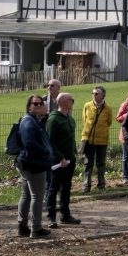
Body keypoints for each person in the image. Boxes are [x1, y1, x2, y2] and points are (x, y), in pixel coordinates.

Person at [16, 94, 56, 238]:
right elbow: (29, 143)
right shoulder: (28, 122)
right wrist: (45, 152)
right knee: (37, 196)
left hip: (27, 162)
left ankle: (22, 226)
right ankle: (36, 228)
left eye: (41, 103)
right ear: (29, 106)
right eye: (35, 104)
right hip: (33, 163)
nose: (39, 106)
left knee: (26, 195)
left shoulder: (34, 120)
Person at [46, 92, 80, 227]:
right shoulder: (53, 119)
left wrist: (74, 153)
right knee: (53, 188)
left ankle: (65, 215)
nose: (73, 102)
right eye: (71, 100)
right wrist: (61, 158)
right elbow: (50, 142)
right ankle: (51, 217)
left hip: (70, 159)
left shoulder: (70, 119)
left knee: (66, 187)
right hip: (57, 162)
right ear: (64, 102)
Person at [80, 86, 112, 193]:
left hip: (102, 141)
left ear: (103, 95)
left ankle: (101, 186)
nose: (94, 95)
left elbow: (109, 122)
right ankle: (86, 187)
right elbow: (84, 121)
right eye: (93, 93)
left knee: (101, 163)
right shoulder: (87, 105)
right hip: (89, 140)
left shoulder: (108, 108)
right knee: (88, 163)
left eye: (97, 93)